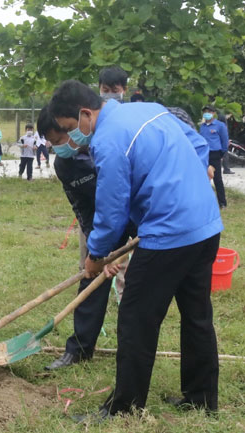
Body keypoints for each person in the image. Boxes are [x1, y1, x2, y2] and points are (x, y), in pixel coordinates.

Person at [49, 80, 222, 421]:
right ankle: (201, 398)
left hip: (169, 234)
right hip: (205, 224)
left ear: (85, 114)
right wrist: (187, 184)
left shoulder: (108, 140)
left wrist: (95, 255)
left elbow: (111, 210)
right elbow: (198, 145)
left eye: (71, 129)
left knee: (135, 318)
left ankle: (124, 408)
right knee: (197, 313)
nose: (74, 138)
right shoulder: (150, 109)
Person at [36, 106, 136, 370]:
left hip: (138, 215)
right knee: (91, 279)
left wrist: (125, 249)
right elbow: (81, 206)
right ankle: (79, 349)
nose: (57, 147)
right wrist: (97, 251)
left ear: (72, 128)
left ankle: (132, 351)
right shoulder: (64, 165)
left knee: (138, 284)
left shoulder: (106, 144)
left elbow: (124, 195)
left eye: (59, 139)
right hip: (103, 224)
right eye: (53, 143)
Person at [199, 105, 230, 208]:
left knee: (217, 179)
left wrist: (221, 153)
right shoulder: (202, 126)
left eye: (209, 111)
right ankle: (204, 203)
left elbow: (225, 141)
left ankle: (222, 203)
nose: (207, 113)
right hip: (204, 154)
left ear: (214, 113)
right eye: (205, 112)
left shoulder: (220, 125)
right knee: (203, 179)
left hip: (215, 154)